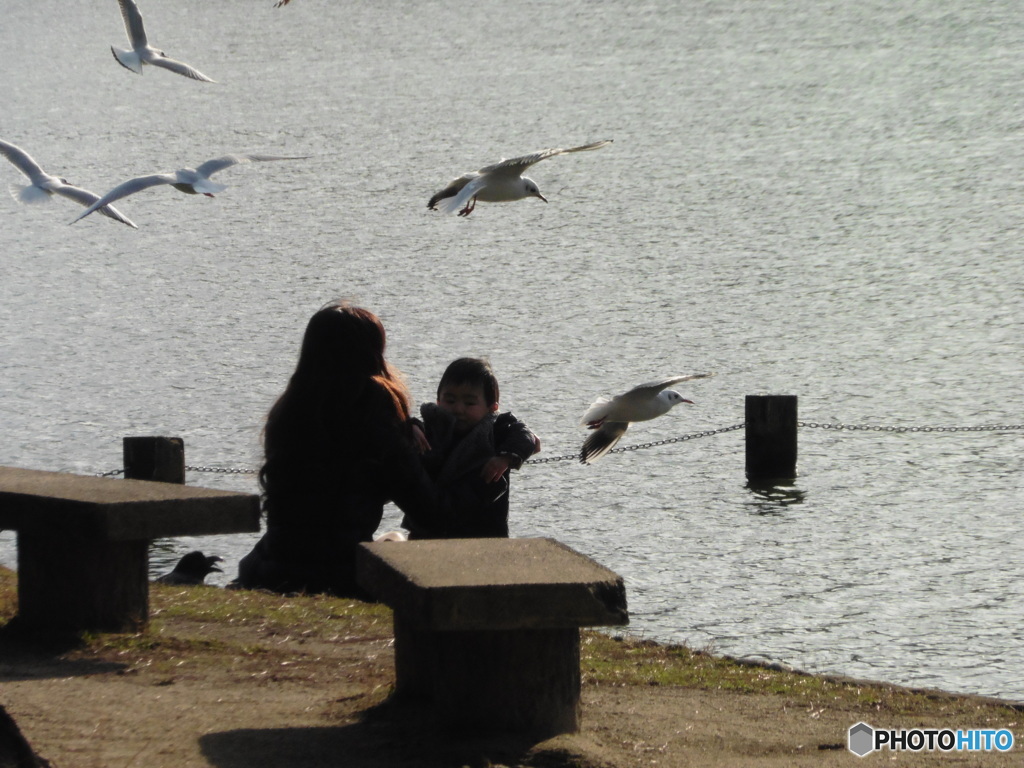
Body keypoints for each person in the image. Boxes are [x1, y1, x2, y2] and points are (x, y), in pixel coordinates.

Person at [234, 301, 478, 598]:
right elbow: (428, 510)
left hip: (270, 567)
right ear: (372, 354)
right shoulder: (372, 409)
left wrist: (405, 427)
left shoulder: (290, 410)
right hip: (340, 576)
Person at [401, 357, 539, 539]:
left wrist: (505, 458)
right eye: (450, 400)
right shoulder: (429, 427)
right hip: (427, 531)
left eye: (469, 403)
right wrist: (409, 427)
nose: (458, 409)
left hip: (483, 533)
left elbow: (527, 437)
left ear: (492, 408)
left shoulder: (498, 428)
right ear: (438, 401)